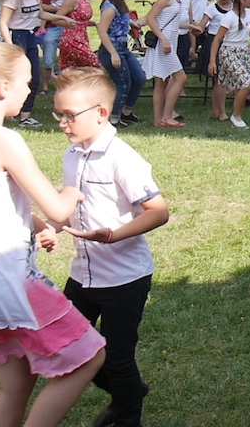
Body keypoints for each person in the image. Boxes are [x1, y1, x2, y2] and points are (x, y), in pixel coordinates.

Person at [0, 41, 106, 427]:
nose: (30, 90)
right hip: (10, 281)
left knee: (14, 384)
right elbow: (59, 208)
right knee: (89, 357)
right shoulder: (3, 140)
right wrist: (72, 192)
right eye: (26, 82)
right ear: (2, 89)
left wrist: (33, 224)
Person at [53, 68, 169, 427]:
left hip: (124, 279)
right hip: (83, 275)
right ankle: (129, 392)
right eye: (59, 115)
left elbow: (158, 212)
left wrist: (112, 235)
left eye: (70, 115)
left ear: (101, 113)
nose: (63, 124)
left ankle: (127, 415)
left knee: (117, 357)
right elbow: (71, 202)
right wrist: (51, 226)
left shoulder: (122, 158)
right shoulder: (72, 154)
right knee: (66, 346)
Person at [0, 0, 72, 127]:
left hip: (30, 36)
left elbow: (41, 13)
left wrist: (63, 19)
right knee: (15, 77)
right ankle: (7, 111)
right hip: (17, 36)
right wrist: (11, 46)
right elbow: (3, 22)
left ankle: (25, 116)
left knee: (34, 77)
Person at [142, 0, 191, 128]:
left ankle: (158, 120)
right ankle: (167, 116)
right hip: (164, 43)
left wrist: (189, 27)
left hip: (170, 41)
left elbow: (171, 21)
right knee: (181, 78)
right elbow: (151, 18)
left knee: (162, 81)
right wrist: (163, 39)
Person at [95, 0, 146, 128]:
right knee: (123, 83)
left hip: (124, 48)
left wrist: (132, 23)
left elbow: (120, 19)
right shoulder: (109, 8)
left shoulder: (119, 4)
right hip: (112, 49)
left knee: (139, 78)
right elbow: (102, 31)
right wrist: (113, 54)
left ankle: (126, 112)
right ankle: (114, 119)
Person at [209, 0, 250, 128]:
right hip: (229, 51)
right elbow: (217, 39)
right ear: (242, 0)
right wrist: (212, 61)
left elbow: (249, 32)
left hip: (244, 50)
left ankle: (238, 116)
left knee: (243, 85)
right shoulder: (229, 17)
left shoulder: (249, 13)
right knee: (246, 83)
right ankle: (236, 116)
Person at [55, 0, 101, 71]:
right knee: (96, 66)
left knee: (76, 72)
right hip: (72, 40)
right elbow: (56, 19)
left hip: (82, 37)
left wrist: (94, 23)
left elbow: (80, 20)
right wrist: (69, 24)